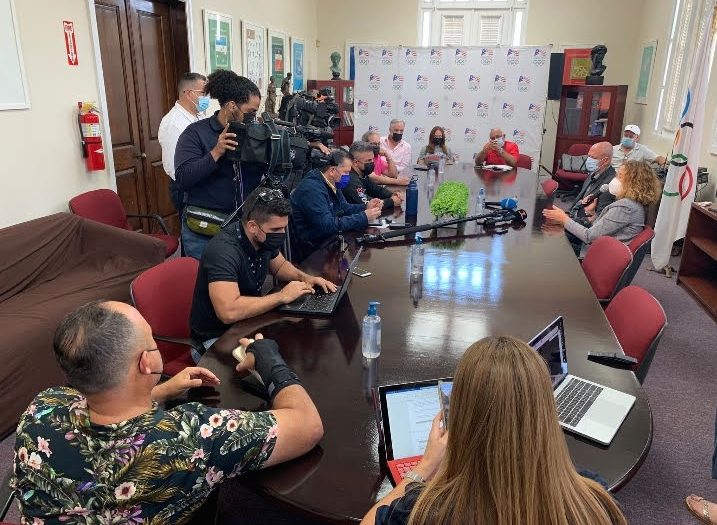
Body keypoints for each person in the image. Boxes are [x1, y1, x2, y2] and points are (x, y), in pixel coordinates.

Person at [11, 300, 323, 524]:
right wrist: (270, 360)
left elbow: (101, 405)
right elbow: (308, 425)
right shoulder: (187, 437)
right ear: (146, 363)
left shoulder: (43, 406)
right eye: (151, 340)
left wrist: (159, 391)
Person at [360, 336, 627, 525]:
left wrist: (425, 465)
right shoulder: (597, 501)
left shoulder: (424, 512)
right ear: (545, 412)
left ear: (460, 419)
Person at [190, 187, 337, 348]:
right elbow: (228, 312)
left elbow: (280, 267)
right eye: (275, 229)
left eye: (284, 227)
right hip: (217, 339)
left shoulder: (262, 238)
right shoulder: (223, 251)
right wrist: (282, 296)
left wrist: (306, 278)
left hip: (247, 323)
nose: (281, 234)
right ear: (252, 226)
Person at [175, 70, 262, 260]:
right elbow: (183, 178)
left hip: (241, 226)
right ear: (232, 106)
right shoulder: (195, 133)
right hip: (204, 229)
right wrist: (216, 152)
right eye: (250, 113)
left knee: (240, 276)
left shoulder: (253, 135)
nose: (253, 119)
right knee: (203, 277)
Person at [543, 160, 661, 254]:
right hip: (603, 250)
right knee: (554, 234)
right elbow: (605, 229)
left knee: (550, 241)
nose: (615, 180)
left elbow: (589, 236)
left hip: (598, 254)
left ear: (634, 183)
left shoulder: (626, 207)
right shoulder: (633, 205)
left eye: (620, 176)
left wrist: (564, 219)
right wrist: (592, 214)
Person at [291, 149, 382, 258]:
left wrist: (366, 207)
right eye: (346, 172)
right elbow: (327, 225)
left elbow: (343, 207)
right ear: (332, 171)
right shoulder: (312, 189)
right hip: (312, 249)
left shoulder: (331, 181)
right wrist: (363, 217)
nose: (348, 176)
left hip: (329, 240)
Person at [158, 72, 207, 216]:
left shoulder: (199, 116)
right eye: (203, 93)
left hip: (202, 183)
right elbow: (174, 167)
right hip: (187, 188)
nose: (206, 98)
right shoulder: (173, 123)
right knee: (191, 226)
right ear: (188, 93)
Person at [566, 141, 617, 226]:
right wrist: (567, 215)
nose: (588, 160)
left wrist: (567, 222)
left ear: (606, 161)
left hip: (584, 226)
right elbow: (581, 199)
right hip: (575, 217)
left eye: (593, 157)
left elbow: (599, 219)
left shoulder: (610, 184)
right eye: (588, 156)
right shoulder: (594, 173)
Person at [342, 141, 403, 210]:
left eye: (372, 159)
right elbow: (367, 204)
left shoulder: (362, 174)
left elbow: (375, 189)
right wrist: (391, 202)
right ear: (355, 162)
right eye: (368, 160)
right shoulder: (350, 180)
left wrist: (391, 194)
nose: (372, 163)